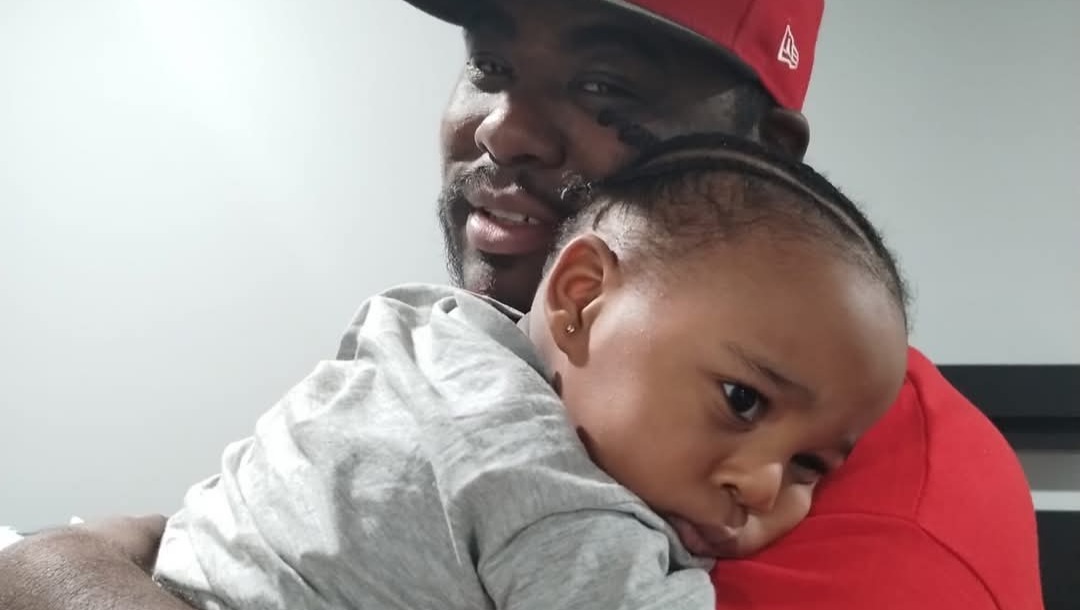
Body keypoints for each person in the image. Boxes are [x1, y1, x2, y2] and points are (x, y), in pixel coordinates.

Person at [0, 1, 1043, 609]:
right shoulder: (472, 353)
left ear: (762, 156)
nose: (504, 129)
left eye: (606, 89)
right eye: (490, 65)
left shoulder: (891, 535)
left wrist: (62, 570)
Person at [150, 137, 909, 610]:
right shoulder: (559, 505)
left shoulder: (423, 331)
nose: (764, 488)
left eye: (811, 465)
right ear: (582, 299)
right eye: (743, 400)